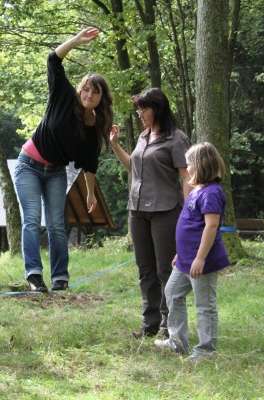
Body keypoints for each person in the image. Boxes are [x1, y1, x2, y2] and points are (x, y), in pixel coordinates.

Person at [14, 27, 114, 292]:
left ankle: (60, 278)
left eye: (95, 93)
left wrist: (91, 194)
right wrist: (76, 41)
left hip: (55, 172)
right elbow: (53, 60)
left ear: (101, 99)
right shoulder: (63, 95)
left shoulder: (95, 128)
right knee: (32, 219)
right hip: (28, 165)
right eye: (86, 90)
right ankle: (34, 275)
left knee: (57, 224)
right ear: (80, 89)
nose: (88, 95)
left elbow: (89, 164)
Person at [110, 87, 192, 339]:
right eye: (138, 109)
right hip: (137, 211)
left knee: (165, 270)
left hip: (166, 211)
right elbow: (132, 168)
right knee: (145, 269)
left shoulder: (176, 138)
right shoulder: (143, 136)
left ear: (157, 109)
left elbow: (186, 178)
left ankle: (170, 326)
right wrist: (114, 144)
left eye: (143, 109)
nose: (139, 113)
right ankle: (150, 324)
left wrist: (191, 214)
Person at [154, 142, 231, 360]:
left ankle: (206, 351)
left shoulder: (212, 193)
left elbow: (211, 226)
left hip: (202, 262)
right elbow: (190, 226)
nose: (187, 170)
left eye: (190, 165)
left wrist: (199, 258)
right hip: (185, 260)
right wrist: (182, 253)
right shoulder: (198, 191)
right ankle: (177, 341)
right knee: (172, 293)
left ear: (202, 166)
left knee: (205, 305)